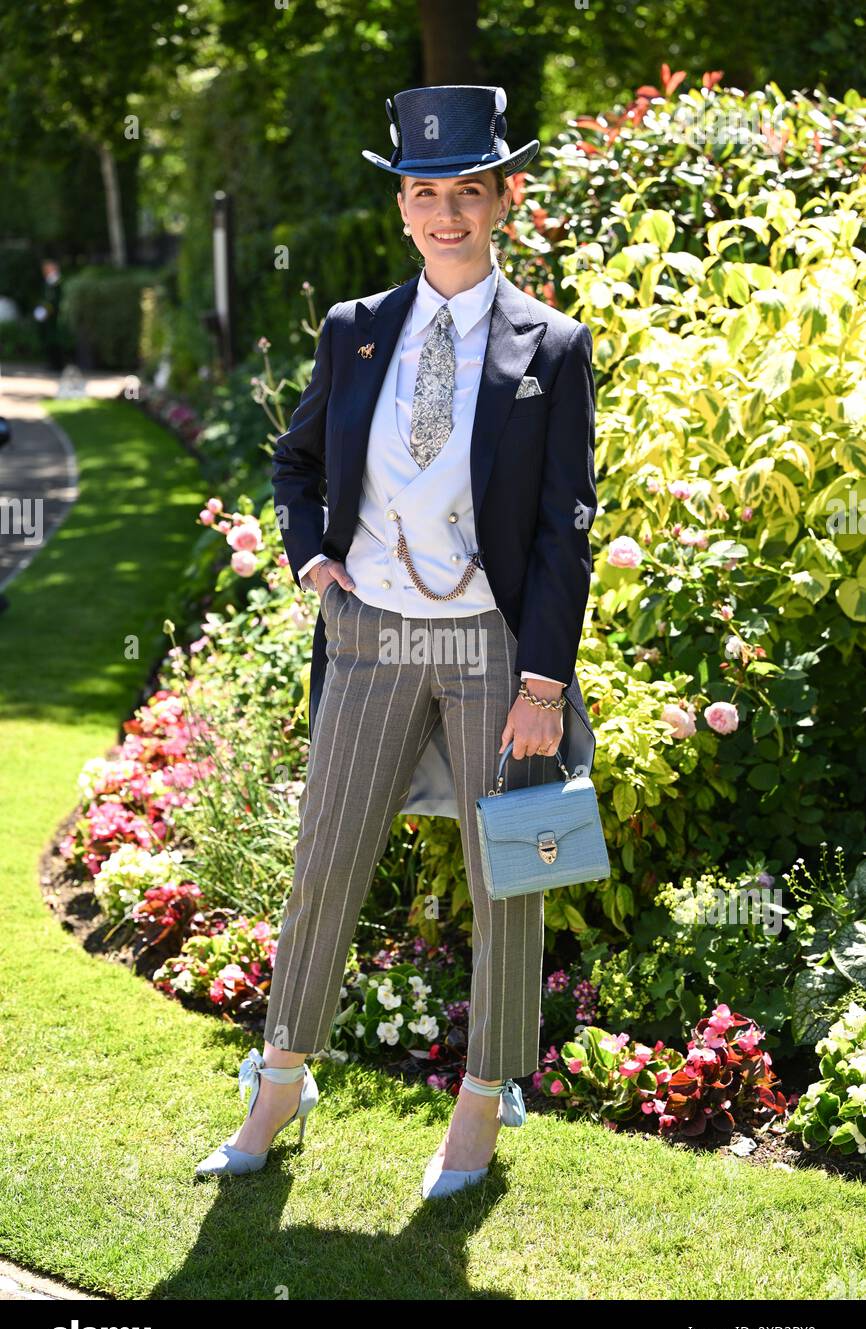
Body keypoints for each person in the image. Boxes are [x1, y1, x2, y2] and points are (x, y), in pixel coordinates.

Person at [196, 84, 598, 1199]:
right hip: (368, 634)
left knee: (509, 873)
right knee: (323, 865)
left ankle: (482, 1100)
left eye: (466, 191)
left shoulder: (550, 349)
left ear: (503, 199)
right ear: (404, 206)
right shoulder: (356, 329)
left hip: (490, 649)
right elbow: (294, 463)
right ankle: (280, 1077)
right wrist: (308, 558)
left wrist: (541, 682)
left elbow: (569, 529)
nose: (444, 214)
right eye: (424, 192)